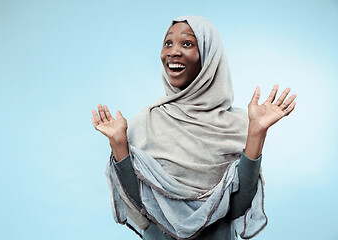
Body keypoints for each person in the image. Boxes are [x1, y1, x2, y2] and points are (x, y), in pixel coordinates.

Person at [91, 16, 296, 240]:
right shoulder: (144, 123)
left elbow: (238, 209)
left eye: (187, 44)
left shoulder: (238, 125)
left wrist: (257, 133)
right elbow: (140, 209)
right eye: (168, 43)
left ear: (208, 57)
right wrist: (118, 143)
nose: (173, 51)